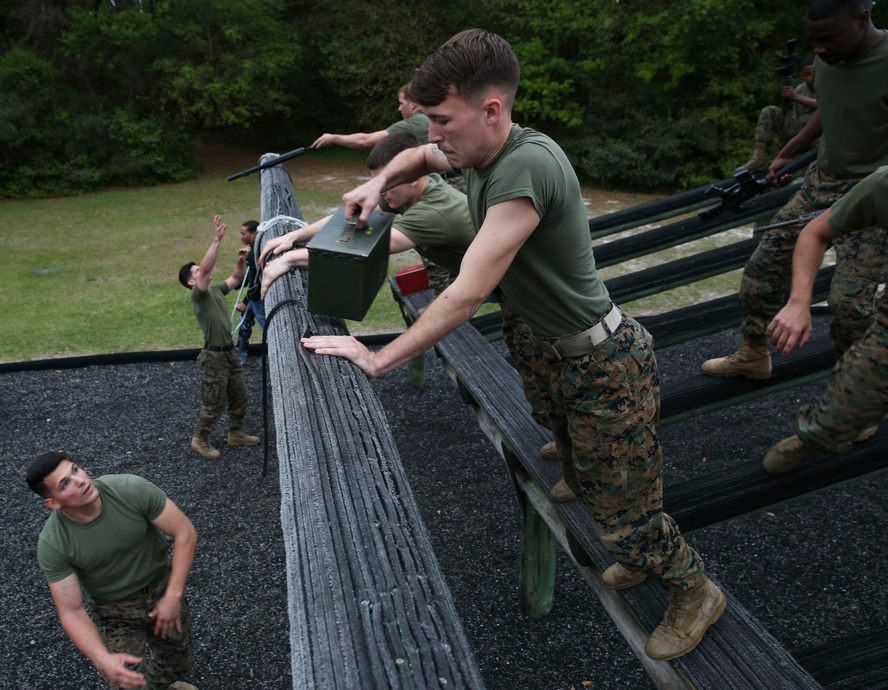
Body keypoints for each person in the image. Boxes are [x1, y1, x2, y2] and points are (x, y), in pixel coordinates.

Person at [300, 29, 723, 661]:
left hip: (603, 362)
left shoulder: (524, 168)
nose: (431, 133)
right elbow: (420, 158)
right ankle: (633, 554)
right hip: (554, 351)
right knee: (577, 468)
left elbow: (467, 294)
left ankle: (693, 591)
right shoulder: (481, 153)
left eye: (441, 119)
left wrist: (378, 356)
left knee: (624, 506)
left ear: (491, 109)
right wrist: (374, 184)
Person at [703, 0, 888, 379]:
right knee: (759, 272)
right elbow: (829, 108)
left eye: (828, 38)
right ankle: (754, 353)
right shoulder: (829, 58)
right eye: (814, 41)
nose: (819, 50)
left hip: (871, 194)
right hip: (821, 182)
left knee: (851, 305)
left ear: (862, 19)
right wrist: (787, 153)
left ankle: (855, 393)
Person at [26, 451, 199, 690]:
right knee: (123, 681)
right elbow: (71, 611)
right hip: (114, 611)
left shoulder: (129, 489)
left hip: (162, 588)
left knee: (179, 661)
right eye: (65, 484)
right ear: (53, 503)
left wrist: (172, 595)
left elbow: (185, 532)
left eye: (75, 470)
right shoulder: (54, 543)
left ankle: (159, 686)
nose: (80, 480)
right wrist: (102, 659)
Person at [763, 165, 888, 473]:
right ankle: (817, 435)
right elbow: (816, 231)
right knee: (826, 430)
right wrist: (798, 301)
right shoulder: (884, 184)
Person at [257, 132, 474, 298]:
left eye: (386, 183)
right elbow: (348, 216)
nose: (380, 191)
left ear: (413, 176)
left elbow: (363, 250)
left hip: (504, 280)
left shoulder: (431, 213)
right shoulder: (418, 186)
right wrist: (295, 235)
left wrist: (291, 258)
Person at [178, 216, 260, 459]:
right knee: (213, 403)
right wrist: (216, 239)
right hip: (213, 357)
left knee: (240, 396)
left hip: (229, 352)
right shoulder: (199, 295)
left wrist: (241, 261)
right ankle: (199, 439)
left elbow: (236, 278)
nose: (200, 271)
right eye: (195, 272)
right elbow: (205, 268)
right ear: (192, 281)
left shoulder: (214, 290)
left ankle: (235, 433)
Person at [738, 59, 818, 173]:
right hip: (801, 132)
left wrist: (795, 97)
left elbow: (824, 106)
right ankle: (759, 156)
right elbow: (797, 116)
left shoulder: (824, 86)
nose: (811, 78)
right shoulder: (800, 89)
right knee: (769, 111)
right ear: (802, 76)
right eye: (807, 74)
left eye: (813, 74)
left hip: (818, 136)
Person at [310, 83, 430, 150]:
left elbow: (366, 141)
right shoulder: (429, 117)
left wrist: (334, 138)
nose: (399, 109)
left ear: (413, 104)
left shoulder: (415, 123)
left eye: (401, 104)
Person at [234, 220, 266, 363]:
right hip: (255, 297)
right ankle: (240, 353)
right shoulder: (252, 252)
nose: (241, 237)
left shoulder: (254, 255)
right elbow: (247, 279)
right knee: (244, 322)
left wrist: (245, 302)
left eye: (243, 233)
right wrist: (242, 261)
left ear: (254, 234)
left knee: (268, 329)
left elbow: (256, 283)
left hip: (257, 299)